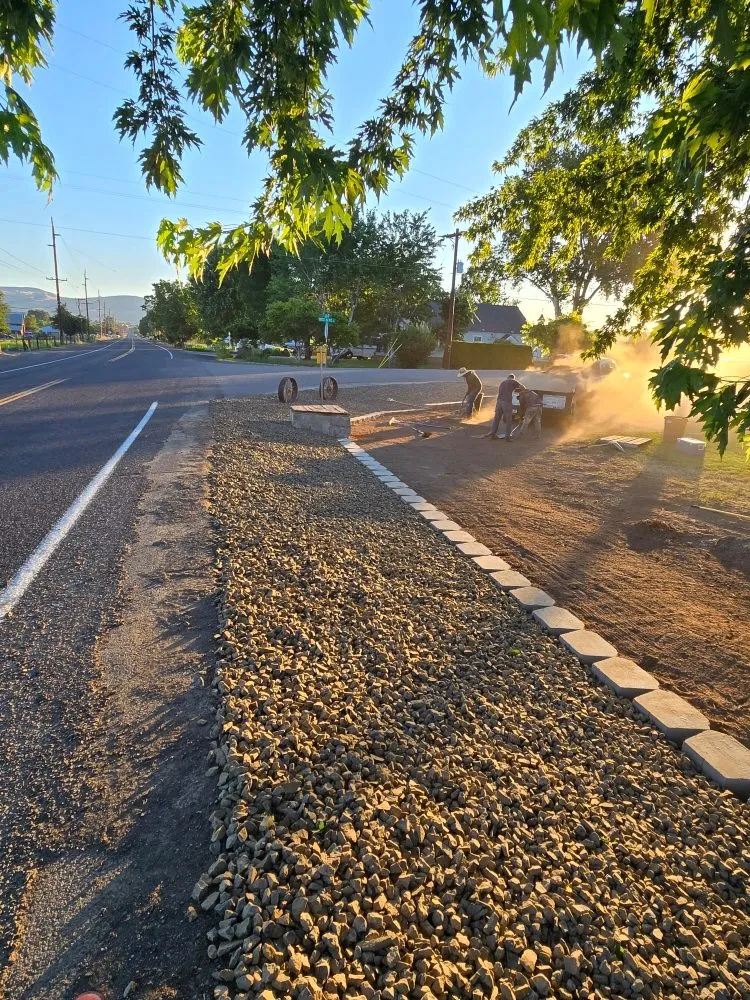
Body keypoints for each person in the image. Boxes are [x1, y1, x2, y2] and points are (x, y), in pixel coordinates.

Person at [484, 372, 525, 440]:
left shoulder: (502, 382)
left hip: (499, 402)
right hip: (506, 402)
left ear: (507, 377)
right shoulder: (513, 381)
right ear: (513, 378)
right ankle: (507, 437)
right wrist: (519, 391)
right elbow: (523, 387)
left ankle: (493, 434)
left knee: (496, 419)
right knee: (509, 420)